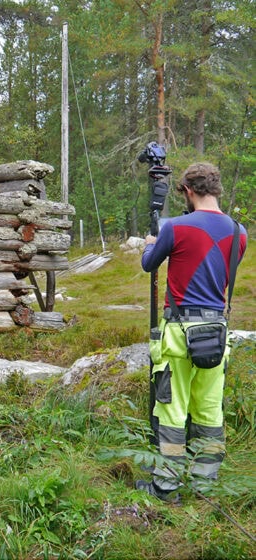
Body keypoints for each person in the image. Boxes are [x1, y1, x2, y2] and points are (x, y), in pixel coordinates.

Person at [136, 162, 247, 501]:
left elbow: (148, 264)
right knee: (210, 411)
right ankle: (204, 485)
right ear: (216, 189)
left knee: (171, 411)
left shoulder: (177, 227)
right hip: (217, 332)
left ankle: (167, 487)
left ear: (187, 190)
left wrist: (150, 243)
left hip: (178, 335)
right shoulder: (239, 233)